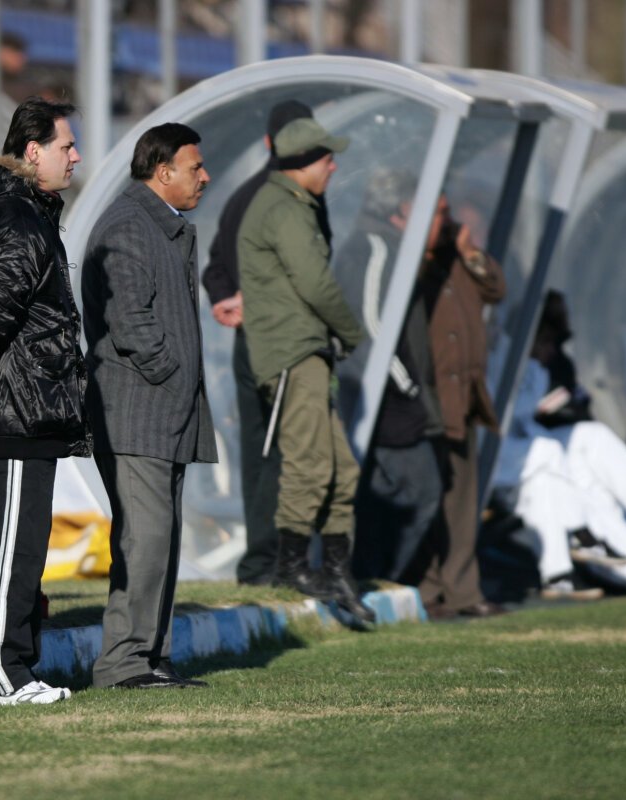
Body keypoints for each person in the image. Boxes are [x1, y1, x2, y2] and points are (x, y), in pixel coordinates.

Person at [0, 97, 89, 706]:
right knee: (8, 543)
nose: (76, 156)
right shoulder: (15, 215)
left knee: (26, 546)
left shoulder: (27, 210)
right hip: (12, 408)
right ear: (33, 151)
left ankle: (17, 669)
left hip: (29, 406)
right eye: (66, 146)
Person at [82, 123, 217, 689]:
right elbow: (130, 319)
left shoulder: (161, 225)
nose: (205, 176)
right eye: (195, 167)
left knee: (161, 539)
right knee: (145, 539)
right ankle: (123, 663)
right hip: (138, 412)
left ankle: (150, 657)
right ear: (163, 172)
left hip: (163, 412)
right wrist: (170, 374)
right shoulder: (129, 224)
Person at [237, 117, 373, 621]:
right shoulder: (284, 208)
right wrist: (352, 332)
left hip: (307, 351)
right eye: (326, 158)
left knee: (341, 466)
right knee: (310, 464)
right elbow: (316, 283)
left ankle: (336, 568)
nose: (333, 167)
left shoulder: (294, 204)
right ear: (302, 162)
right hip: (293, 353)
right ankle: (292, 566)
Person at [201, 100, 327, 587]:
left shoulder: (258, 194)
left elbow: (216, 266)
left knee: (266, 447)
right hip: (277, 342)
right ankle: (271, 561)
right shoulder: (278, 197)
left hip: (261, 341)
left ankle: (267, 561)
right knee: (283, 449)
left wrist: (227, 298)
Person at [493, 291, 626, 598]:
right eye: (544, 341)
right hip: (513, 467)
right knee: (577, 491)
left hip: (547, 453)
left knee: (590, 444)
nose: (550, 349)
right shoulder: (501, 361)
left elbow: (574, 407)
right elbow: (509, 416)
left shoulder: (548, 367)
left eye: (552, 341)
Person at [336, 170, 445, 583]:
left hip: (387, 395)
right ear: (401, 209)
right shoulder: (375, 247)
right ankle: (377, 579)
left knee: (390, 497)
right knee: (419, 491)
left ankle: (376, 579)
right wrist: (406, 383)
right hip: (383, 397)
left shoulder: (392, 246)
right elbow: (370, 324)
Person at [416, 194, 506, 619]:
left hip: (463, 396)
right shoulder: (414, 261)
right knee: (429, 496)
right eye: (442, 214)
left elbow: (495, 288)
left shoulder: (458, 256)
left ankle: (461, 591)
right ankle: (429, 588)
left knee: (461, 501)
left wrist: (470, 253)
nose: (450, 222)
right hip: (428, 396)